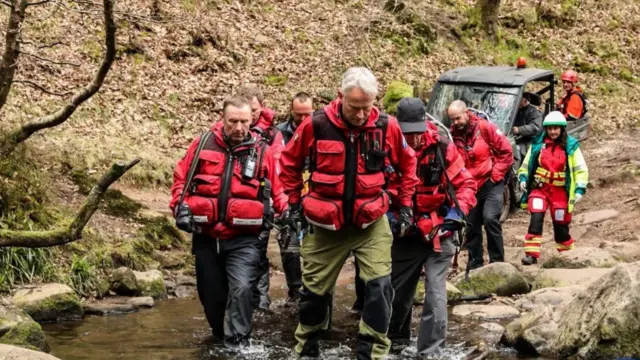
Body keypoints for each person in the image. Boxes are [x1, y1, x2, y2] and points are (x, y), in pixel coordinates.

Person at [279, 67, 419, 359]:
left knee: (380, 288)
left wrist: (404, 206)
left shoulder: (386, 126)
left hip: (371, 222)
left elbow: (408, 165)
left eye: (366, 107)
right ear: (340, 96)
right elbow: (289, 163)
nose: (359, 114)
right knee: (313, 294)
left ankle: (371, 352)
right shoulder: (315, 124)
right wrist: (293, 204)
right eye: (354, 107)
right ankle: (307, 347)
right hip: (325, 224)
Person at [169, 96, 289, 348]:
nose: (239, 127)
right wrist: (180, 208)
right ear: (222, 118)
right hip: (206, 234)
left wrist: (286, 214)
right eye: (233, 121)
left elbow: (279, 190)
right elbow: (182, 179)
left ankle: (238, 344)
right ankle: (219, 334)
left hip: (245, 238)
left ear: (251, 120)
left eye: (244, 121)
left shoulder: (263, 152)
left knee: (242, 289)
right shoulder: (202, 144)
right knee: (211, 297)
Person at [388, 98, 477, 355]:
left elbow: (466, 185)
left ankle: (431, 352)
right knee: (397, 294)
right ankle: (395, 343)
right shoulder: (388, 148)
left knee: (435, 296)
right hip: (405, 233)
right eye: (407, 132)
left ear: (425, 123)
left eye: (416, 131)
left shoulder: (442, 147)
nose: (413, 138)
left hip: (440, 231)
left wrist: (456, 213)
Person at [234, 84, 284, 311]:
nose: (251, 114)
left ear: (261, 107)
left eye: (254, 109)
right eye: (248, 109)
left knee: (259, 253)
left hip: (261, 203)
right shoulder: (228, 130)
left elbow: (277, 168)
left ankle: (261, 301)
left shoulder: (272, 135)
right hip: (232, 204)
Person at [448, 100, 513, 270]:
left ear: (467, 113)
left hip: (490, 182)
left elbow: (507, 152)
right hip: (469, 187)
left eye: (458, 118)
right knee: (471, 225)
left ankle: (497, 262)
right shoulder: (452, 136)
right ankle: (475, 262)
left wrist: (495, 175)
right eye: (452, 120)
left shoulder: (486, 128)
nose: (455, 123)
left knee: (490, 218)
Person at [518, 111, 589, 265]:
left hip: (560, 193)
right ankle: (531, 255)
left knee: (560, 225)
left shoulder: (571, 146)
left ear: (562, 129)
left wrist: (579, 189)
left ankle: (567, 255)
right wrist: (523, 178)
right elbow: (527, 164)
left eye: (556, 128)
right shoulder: (538, 144)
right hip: (540, 188)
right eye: (549, 129)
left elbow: (580, 169)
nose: (552, 132)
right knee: (536, 218)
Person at [271, 92, 314, 306]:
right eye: (299, 115)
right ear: (291, 112)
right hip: (288, 193)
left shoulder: (320, 129)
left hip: (313, 193)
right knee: (289, 242)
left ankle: (314, 288)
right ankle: (295, 290)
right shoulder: (279, 133)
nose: (303, 120)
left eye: (308, 114)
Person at [512, 92, 543, 163]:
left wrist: (519, 129)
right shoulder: (517, 110)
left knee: (526, 154)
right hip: (516, 137)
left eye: (519, 100)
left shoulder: (533, 111)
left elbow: (535, 127)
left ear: (525, 101)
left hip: (528, 139)